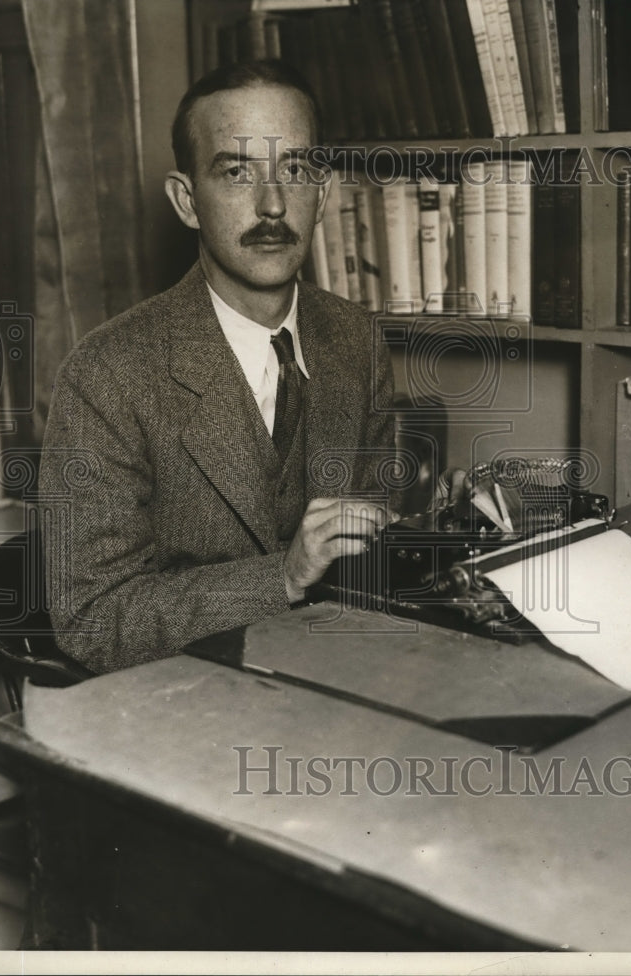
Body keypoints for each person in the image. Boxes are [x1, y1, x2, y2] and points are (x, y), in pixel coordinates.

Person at [39, 61, 398, 675]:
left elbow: (376, 552)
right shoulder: (105, 375)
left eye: (295, 169)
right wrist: (280, 578)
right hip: (183, 719)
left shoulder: (356, 339)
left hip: (341, 684)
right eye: (236, 172)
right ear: (187, 201)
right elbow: (92, 618)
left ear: (324, 193)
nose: (273, 205)